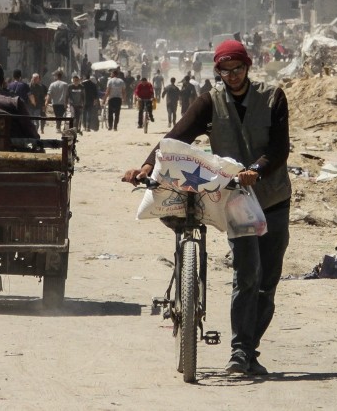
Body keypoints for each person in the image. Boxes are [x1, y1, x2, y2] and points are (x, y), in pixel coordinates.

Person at [122, 40, 291, 375]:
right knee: (246, 272)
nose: (232, 75)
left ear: (248, 66)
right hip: (236, 200)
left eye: (237, 68)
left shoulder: (273, 97)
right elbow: (175, 138)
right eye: (225, 70)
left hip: (272, 199)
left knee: (267, 280)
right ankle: (240, 352)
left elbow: (280, 147)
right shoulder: (209, 102)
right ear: (218, 71)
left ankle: (249, 346)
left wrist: (255, 171)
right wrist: (144, 166)